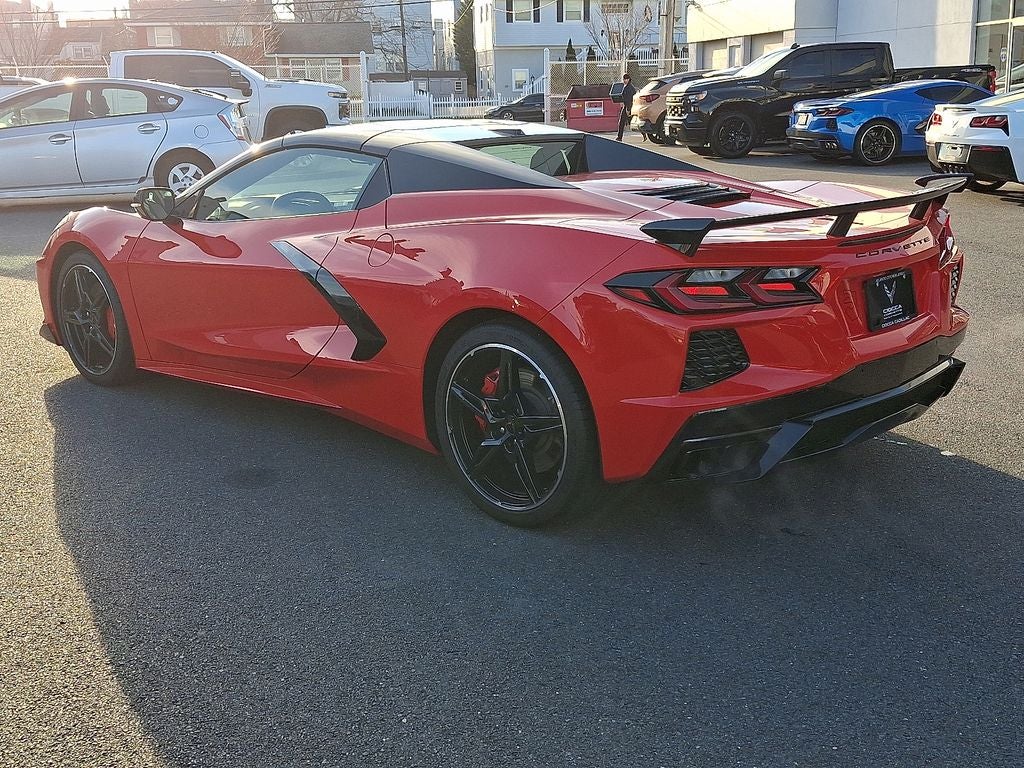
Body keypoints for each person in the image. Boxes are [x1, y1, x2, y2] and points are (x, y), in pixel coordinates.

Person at [616, 73, 636, 141]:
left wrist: (628, 109)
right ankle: (619, 137)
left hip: (628, 107)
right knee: (625, 122)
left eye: (626, 79)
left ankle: (619, 137)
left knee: (622, 122)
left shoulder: (629, 88)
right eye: (624, 79)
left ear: (629, 79)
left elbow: (629, 99)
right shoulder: (627, 87)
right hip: (627, 106)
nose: (624, 80)